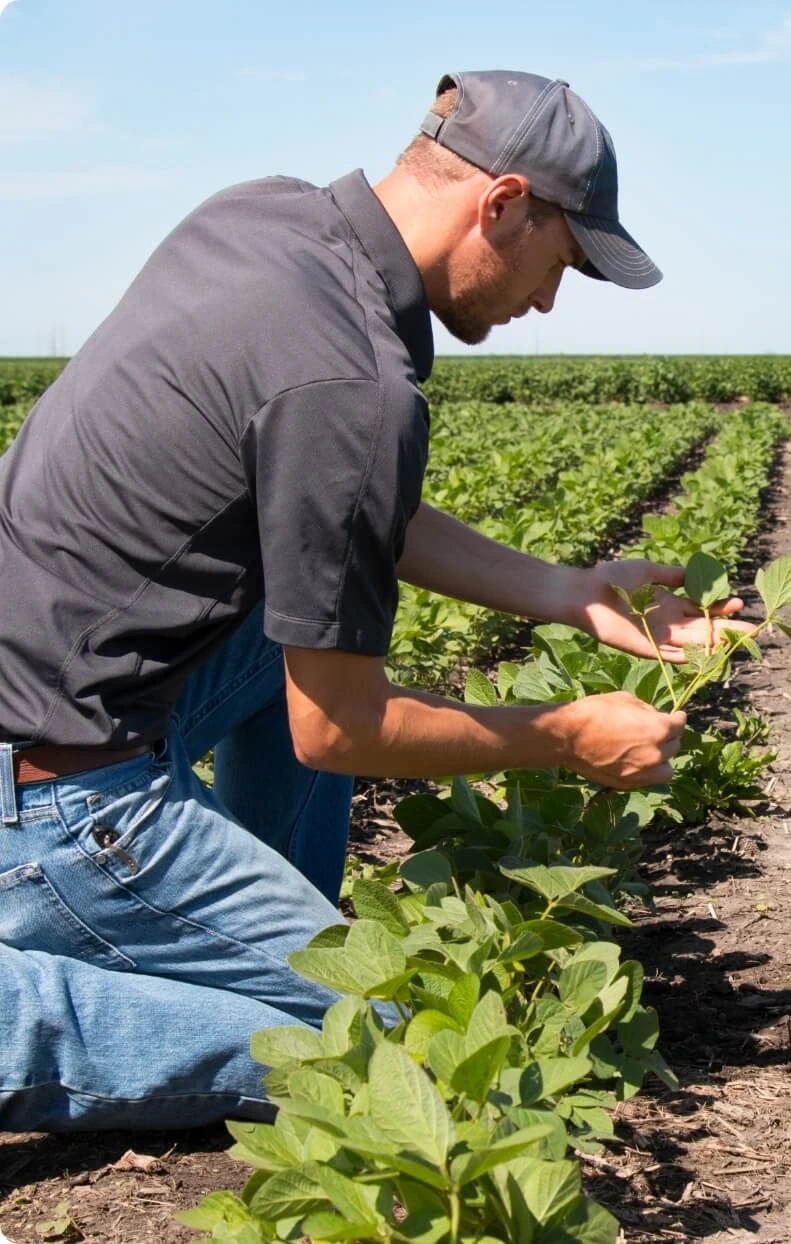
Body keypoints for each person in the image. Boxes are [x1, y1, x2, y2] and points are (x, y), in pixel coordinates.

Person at [0, 70, 749, 1132]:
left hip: (52, 704)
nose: (547, 299)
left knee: (284, 622)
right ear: (501, 203)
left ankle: (272, 938)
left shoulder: (267, 217)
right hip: (63, 797)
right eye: (562, 262)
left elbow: (343, 506)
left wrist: (567, 592)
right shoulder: (354, 382)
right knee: (388, 1051)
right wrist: (570, 735)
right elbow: (339, 726)